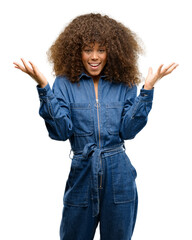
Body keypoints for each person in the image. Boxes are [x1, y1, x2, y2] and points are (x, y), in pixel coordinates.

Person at [13, 13, 178, 240]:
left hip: (119, 175)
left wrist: (146, 91)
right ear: (76, 51)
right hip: (82, 173)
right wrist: (44, 88)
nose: (94, 57)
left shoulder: (124, 83)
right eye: (88, 49)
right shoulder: (64, 83)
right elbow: (60, 132)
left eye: (101, 50)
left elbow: (128, 131)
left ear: (112, 51)